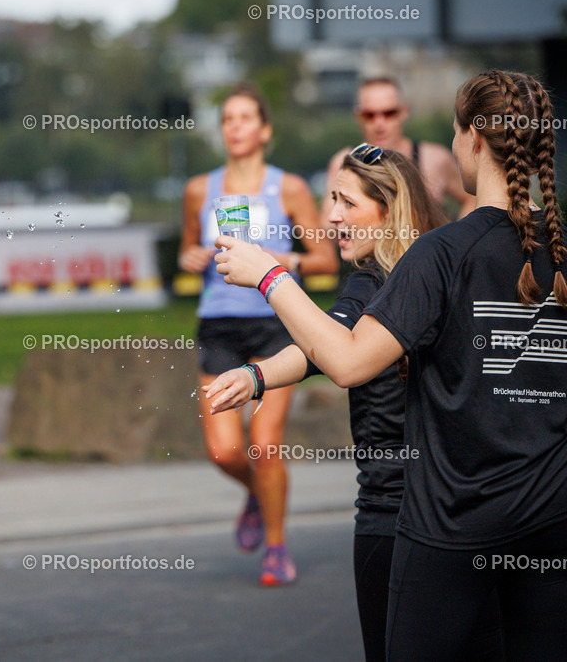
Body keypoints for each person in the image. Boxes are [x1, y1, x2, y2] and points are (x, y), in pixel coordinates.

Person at [214, 70, 567, 659]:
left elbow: (348, 360)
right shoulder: (557, 257)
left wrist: (269, 276)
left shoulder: (443, 253)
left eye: (456, 133)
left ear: (474, 141)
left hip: (453, 526)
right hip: (552, 521)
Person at [203, 145, 499, 661]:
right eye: (330, 200)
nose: (332, 215)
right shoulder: (447, 266)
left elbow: (334, 351)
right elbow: (323, 346)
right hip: (468, 509)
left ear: (389, 208)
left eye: (346, 202)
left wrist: (260, 353)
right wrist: (257, 375)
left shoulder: (379, 279)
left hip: (394, 512)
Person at [178, 83, 339, 585]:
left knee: (265, 445)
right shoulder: (200, 190)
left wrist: (281, 260)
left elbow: (325, 261)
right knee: (225, 451)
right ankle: (257, 492)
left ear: (265, 129)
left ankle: (276, 546)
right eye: (227, 118)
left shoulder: (287, 187)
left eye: (246, 117)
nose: (235, 127)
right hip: (219, 326)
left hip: (275, 324)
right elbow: (185, 255)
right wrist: (191, 259)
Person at [325, 77, 475, 219]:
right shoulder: (343, 162)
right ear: (358, 116)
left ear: (403, 112)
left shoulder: (434, 159)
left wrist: (456, 241)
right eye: (369, 115)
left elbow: (473, 197)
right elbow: (325, 227)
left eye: (388, 113)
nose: (379, 124)